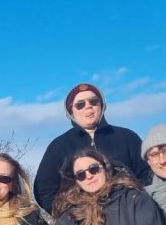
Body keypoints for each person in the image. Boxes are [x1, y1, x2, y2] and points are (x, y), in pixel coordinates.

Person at [33, 83, 150, 212]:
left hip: (129, 216)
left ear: (102, 106)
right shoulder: (58, 147)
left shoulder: (127, 137)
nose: (88, 106)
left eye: (94, 102)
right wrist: (70, 217)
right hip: (83, 224)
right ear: (71, 111)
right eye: (80, 104)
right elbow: (44, 190)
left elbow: (147, 176)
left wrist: (136, 205)